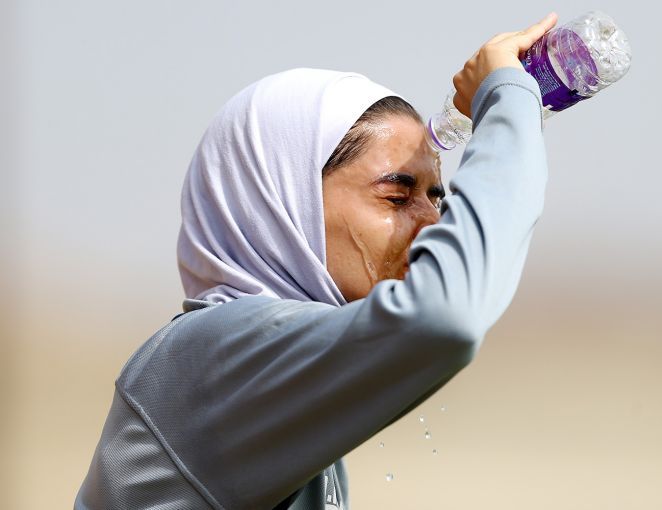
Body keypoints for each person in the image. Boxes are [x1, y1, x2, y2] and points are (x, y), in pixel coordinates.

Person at [75, 12, 558, 510]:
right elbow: (445, 316)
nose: (433, 225)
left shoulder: (269, 378)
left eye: (436, 200)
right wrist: (506, 103)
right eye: (397, 197)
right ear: (283, 203)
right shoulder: (216, 360)